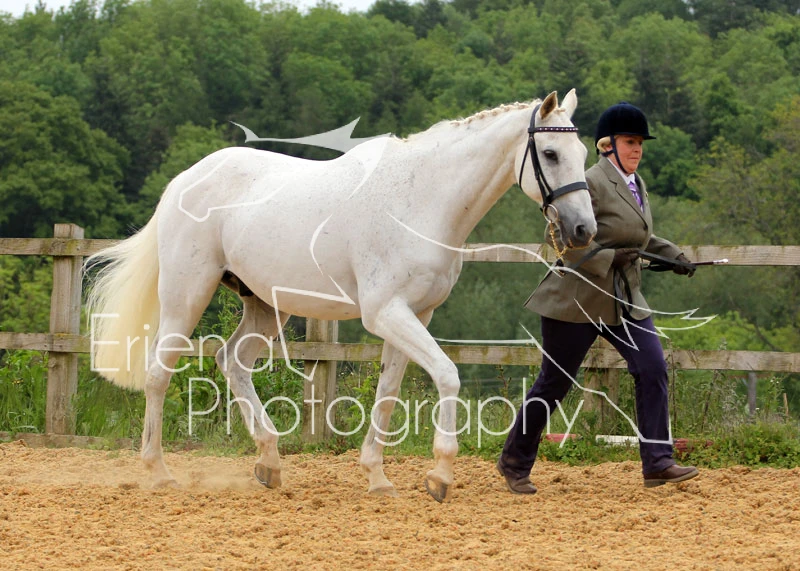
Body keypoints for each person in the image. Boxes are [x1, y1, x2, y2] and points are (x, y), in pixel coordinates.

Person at [496, 102, 699, 494]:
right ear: (608, 145)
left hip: (624, 298)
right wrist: (607, 258)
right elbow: (560, 237)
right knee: (555, 383)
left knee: (653, 368)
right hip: (577, 299)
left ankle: (658, 462)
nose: (637, 149)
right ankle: (514, 461)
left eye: (640, 143)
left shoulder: (635, 184)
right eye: (629, 142)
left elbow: (637, 236)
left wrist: (674, 256)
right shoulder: (589, 181)